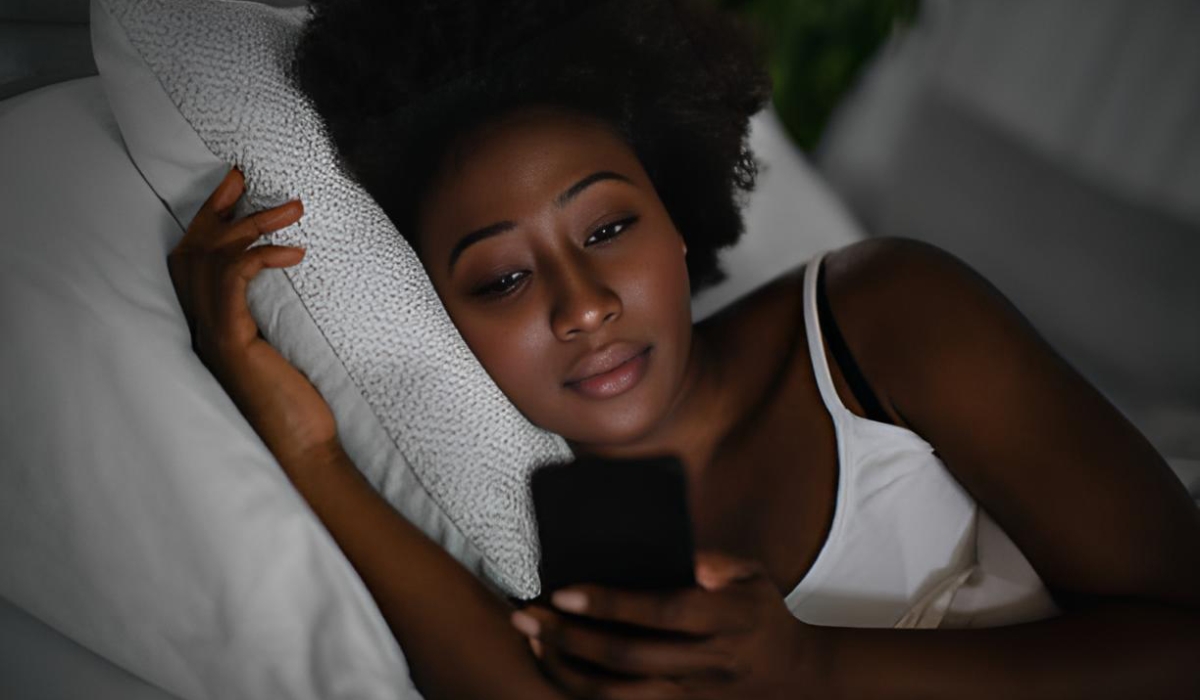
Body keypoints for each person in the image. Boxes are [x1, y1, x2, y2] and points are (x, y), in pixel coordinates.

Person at [166, 0, 1200, 697]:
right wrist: (308, 455)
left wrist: (813, 667)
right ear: (437, 312)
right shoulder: (540, 528)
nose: (582, 306)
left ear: (675, 213)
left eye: (608, 228)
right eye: (502, 278)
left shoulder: (887, 318)